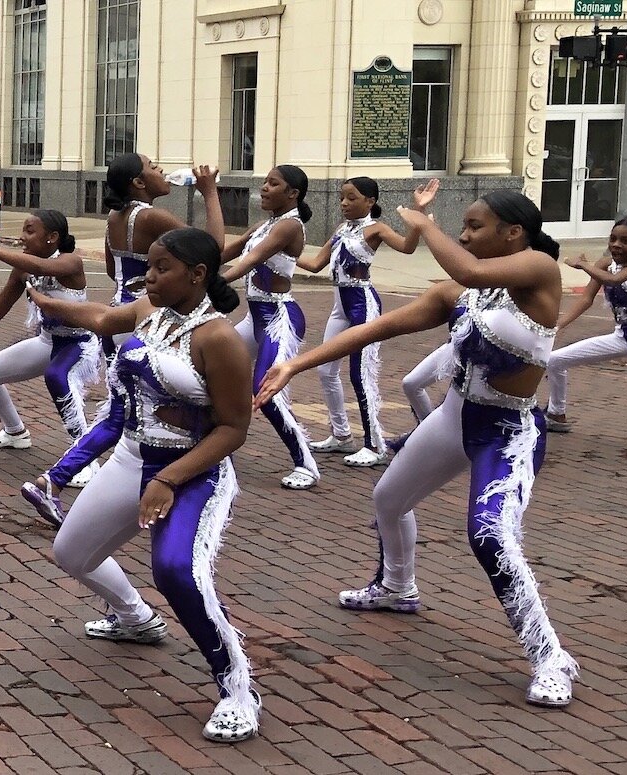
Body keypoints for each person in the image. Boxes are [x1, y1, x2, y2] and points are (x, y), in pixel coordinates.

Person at [256, 190, 580, 708]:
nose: (464, 235)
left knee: (491, 536)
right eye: (462, 228)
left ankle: (550, 657)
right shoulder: (458, 295)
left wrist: (422, 224)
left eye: (474, 226)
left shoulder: (540, 270)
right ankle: (397, 587)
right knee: (388, 499)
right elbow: (378, 327)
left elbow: (473, 270)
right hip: (455, 415)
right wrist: (297, 363)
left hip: (508, 429)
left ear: (513, 232)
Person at [28, 227, 261, 742]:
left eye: (161, 268)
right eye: (149, 266)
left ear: (197, 275)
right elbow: (101, 318)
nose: (148, 276)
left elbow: (233, 429)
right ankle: (135, 617)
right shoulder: (147, 310)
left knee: (176, 569)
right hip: (132, 457)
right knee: (71, 552)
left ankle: (237, 689)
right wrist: (47, 301)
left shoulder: (218, 338)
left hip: (193, 471)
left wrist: (171, 478)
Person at [298, 177, 439, 467]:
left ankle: (374, 444)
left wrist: (419, 211)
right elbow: (315, 264)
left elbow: (407, 247)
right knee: (326, 370)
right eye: (342, 198)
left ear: (370, 201)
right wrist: (279, 252)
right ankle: (340, 435)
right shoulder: (340, 230)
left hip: (363, 303)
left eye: (351, 198)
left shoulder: (377, 229)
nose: (344, 204)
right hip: (340, 305)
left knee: (360, 375)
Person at [0, 211, 102, 487]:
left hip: (78, 343)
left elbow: (42, 268)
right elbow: (0, 306)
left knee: (58, 377)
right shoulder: (23, 269)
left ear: (52, 238)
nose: (22, 237)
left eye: (29, 231)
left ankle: (85, 460)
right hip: (47, 341)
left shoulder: (70, 262)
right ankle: (15, 432)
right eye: (23, 231)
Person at [216, 164, 320, 489]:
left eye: (272, 184)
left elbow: (251, 259)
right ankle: (217, 450)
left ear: (293, 194)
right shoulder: (266, 223)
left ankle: (306, 464)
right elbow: (231, 251)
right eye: (264, 182)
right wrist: (191, 263)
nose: (263, 188)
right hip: (254, 319)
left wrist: (214, 284)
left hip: (280, 319)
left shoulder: (289, 227)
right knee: (215, 372)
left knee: (266, 392)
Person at [544, 218, 627, 464]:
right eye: (613, 239)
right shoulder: (605, 263)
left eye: (625, 241)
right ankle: (556, 414)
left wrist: (583, 265)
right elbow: (586, 300)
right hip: (622, 335)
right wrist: (558, 326)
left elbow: (615, 281)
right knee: (554, 360)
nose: (616, 245)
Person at [102, 154, 223, 355]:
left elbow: (112, 270)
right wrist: (210, 193)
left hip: (117, 315)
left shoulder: (114, 216)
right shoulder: (151, 216)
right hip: (146, 320)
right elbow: (213, 247)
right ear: (139, 182)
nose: (161, 170)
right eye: (153, 166)